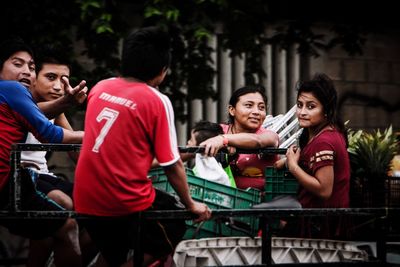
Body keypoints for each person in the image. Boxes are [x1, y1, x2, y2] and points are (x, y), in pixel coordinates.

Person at [73, 26, 211, 267]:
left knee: (112, 254)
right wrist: (192, 205)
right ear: (162, 71)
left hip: (85, 196)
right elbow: (172, 163)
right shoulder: (157, 100)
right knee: (174, 224)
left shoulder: (101, 87)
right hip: (123, 200)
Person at [0, 37, 84, 266]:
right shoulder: (14, 93)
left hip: (32, 179)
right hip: (18, 181)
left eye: (31, 67)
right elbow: (47, 128)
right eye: (51, 77)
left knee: (91, 207)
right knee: (62, 209)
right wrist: (96, 135)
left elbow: (75, 152)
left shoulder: (46, 105)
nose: (58, 86)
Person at [278, 73, 351, 239]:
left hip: (322, 225)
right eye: (299, 105)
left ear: (326, 110)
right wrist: (286, 162)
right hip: (321, 220)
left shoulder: (323, 141)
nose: (302, 112)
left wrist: (294, 167)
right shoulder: (326, 133)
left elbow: (324, 190)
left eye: (311, 107)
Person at [200, 85, 280, 191]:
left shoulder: (270, 136)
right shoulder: (216, 131)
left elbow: (258, 141)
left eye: (261, 107)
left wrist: (223, 140)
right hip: (216, 200)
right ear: (232, 110)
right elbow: (192, 148)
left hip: (259, 203)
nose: (256, 112)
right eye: (249, 105)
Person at [186, 120, 235, 187]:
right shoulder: (224, 158)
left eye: (191, 140)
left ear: (202, 145)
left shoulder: (202, 168)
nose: (188, 142)